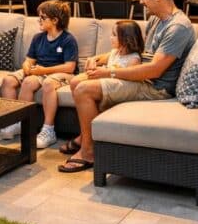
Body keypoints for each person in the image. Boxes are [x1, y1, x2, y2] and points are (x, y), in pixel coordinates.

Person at [59, 0, 195, 173]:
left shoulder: (178, 27)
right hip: (142, 77)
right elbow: (136, 53)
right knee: (74, 82)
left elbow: (155, 70)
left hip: (156, 87)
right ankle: (86, 136)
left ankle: (89, 151)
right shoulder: (156, 20)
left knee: (83, 90)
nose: (141, 2)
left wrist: (109, 73)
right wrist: (100, 59)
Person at [0, 0, 78, 148]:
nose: (38, 20)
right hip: (39, 70)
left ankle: (48, 130)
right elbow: (29, 60)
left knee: (38, 83)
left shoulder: (68, 39)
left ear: (54, 20)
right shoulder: (38, 38)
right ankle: (16, 122)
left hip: (59, 72)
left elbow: (70, 67)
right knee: (8, 80)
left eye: (42, 17)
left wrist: (42, 71)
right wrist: (27, 66)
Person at [58, 20, 144, 155]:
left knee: (80, 85)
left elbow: (127, 77)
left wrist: (104, 72)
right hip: (104, 77)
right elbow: (101, 59)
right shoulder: (115, 52)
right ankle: (85, 133)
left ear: (126, 39)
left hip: (114, 85)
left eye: (114, 35)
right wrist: (93, 60)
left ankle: (86, 138)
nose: (111, 37)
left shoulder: (134, 58)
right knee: (74, 82)